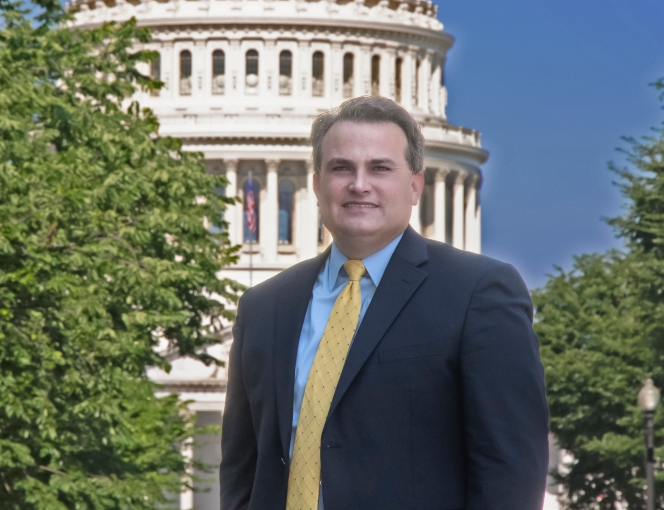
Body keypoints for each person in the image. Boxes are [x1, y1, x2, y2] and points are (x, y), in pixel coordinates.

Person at [220, 96, 549, 510]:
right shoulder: (263, 307)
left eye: (380, 168)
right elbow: (241, 467)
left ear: (415, 185)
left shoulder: (477, 293)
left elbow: (510, 469)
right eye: (341, 168)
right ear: (318, 185)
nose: (360, 184)